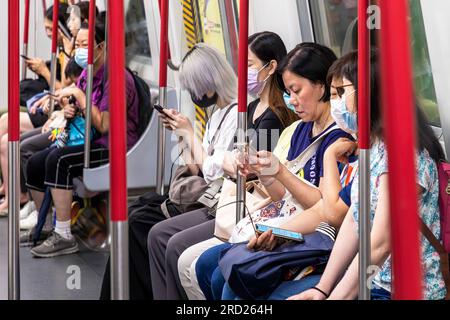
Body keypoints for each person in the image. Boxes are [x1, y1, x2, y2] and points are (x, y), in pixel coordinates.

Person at [182, 43, 356, 300]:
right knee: (211, 267)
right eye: (288, 93)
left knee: (229, 280)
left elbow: (326, 210)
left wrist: (281, 174)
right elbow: (281, 197)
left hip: (316, 239)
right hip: (288, 225)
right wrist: (264, 172)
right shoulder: (298, 130)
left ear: (320, 86)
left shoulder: (340, 141)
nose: (292, 101)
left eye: (297, 91)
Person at [273, 50, 447, 301]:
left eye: (342, 93)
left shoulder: (403, 155)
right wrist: (322, 288)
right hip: (377, 283)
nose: (336, 104)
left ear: (370, 92)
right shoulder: (373, 149)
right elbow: (356, 220)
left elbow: (380, 243)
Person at [100, 43, 238, 300]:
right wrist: (182, 135)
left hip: (216, 200)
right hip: (201, 193)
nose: (194, 93)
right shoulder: (216, 114)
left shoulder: (237, 116)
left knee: (138, 224)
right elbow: (195, 166)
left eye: (195, 87)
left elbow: (211, 172)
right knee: (135, 213)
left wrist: (188, 132)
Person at [25, 20, 139, 258]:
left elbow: (105, 125)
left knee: (58, 160)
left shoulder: (117, 79)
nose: (78, 50)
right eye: (76, 44)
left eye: (85, 44)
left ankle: (64, 235)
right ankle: (46, 226)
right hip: (89, 138)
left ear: (102, 46)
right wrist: (69, 107)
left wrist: (77, 94)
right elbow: (80, 106)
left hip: (113, 146)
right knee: (35, 162)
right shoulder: (89, 72)